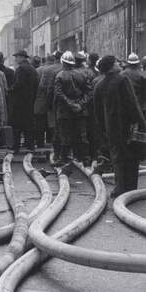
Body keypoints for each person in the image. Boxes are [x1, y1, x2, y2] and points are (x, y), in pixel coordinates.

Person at [94, 55, 146, 197]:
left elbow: (97, 111)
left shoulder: (99, 84)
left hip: (111, 127)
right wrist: (142, 123)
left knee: (117, 156)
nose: (119, 64)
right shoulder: (122, 80)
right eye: (116, 62)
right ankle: (130, 189)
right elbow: (133, 104)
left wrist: (103, 129)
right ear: (111, 66)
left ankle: (120, 187)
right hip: (127, 125)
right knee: (132, 157)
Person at [54, 51, 91, 166]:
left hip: (65, 111)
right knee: (81, 134)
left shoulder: (59, 75)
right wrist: (80, 104)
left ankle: (63, 158)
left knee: (65, 135)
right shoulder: (83, 75)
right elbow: (89, 92)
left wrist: (70, 104)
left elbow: (59, 94)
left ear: (63, 62)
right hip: (80, 110)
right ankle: (85, 158)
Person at [11, 50, 38, 153]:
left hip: (19, 101)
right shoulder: (32, 69)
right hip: (30, 100)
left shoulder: (21, 69)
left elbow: (18, 84)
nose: (16, 59)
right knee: (29, 124)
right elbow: (36, 84)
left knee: (17, 125)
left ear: (22, 57)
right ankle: (30, 145)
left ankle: (16, 146)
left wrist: (10, 90)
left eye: (17, 56)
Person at [33, 54, 55, 148]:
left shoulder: (38, 70)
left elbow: (36, 86)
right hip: (52, 99)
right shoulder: (54, 69)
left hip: (40, 99)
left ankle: (40, 142)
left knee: (40, 123)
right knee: (50, 121)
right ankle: (50, 140)